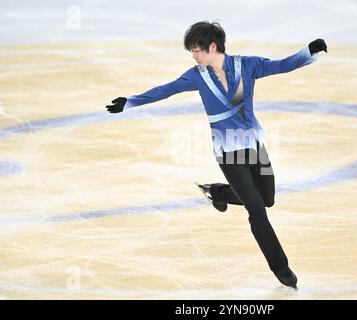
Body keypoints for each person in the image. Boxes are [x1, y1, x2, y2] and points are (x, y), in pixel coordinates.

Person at [106, 21, 327, 289]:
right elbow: (166, 89)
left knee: (267, 199)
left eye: (197, 50)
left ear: (213, 47)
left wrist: (308, 51)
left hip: (254, 145)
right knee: (256, 209)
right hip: (228, 152)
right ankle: (281, 268)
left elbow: (280, 65)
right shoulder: (197, 75)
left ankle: (219, 193)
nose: (194, 56)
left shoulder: (247, 65)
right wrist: (130, 101)